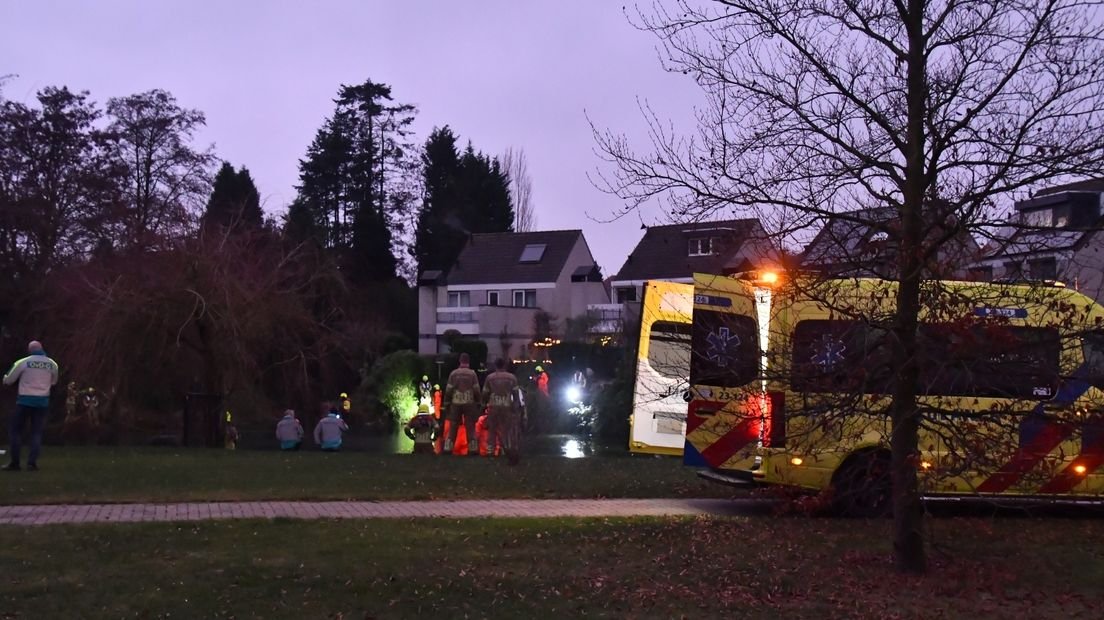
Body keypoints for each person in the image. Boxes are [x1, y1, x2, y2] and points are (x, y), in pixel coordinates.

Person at [3, 340, 60, 471]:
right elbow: (54, 381)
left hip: (24, 401)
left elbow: (9, 379)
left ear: (30, 350)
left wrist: (5, 379)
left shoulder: (23, 362)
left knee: (15, 430)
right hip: (42, 402)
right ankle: (31, 463)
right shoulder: (52, 364)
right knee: (36, 432)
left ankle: (15, 463)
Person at [483, 358, 521, 465]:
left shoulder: (490, 378)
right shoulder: (512, 378)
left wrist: (483, 404)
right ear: (505, 365)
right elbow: (516, 394)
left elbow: (485, 393)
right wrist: (515, 406)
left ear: (495, 365)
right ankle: (505, 450)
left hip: (493, 406)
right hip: (506, 406)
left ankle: (490, 450)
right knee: (506, 429)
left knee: (492, 429)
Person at [443, 353, 481, 455]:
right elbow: (476, 390)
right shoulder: (472, 374)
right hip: (469, 403)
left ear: (460, 361)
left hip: (456, 402)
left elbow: (448, 390)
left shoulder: (453, 374)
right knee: (470, 427)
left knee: (453, 426)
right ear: (468, 361)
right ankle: (472, 450)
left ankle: (448, 448)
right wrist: (479, 402)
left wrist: (446, 403)